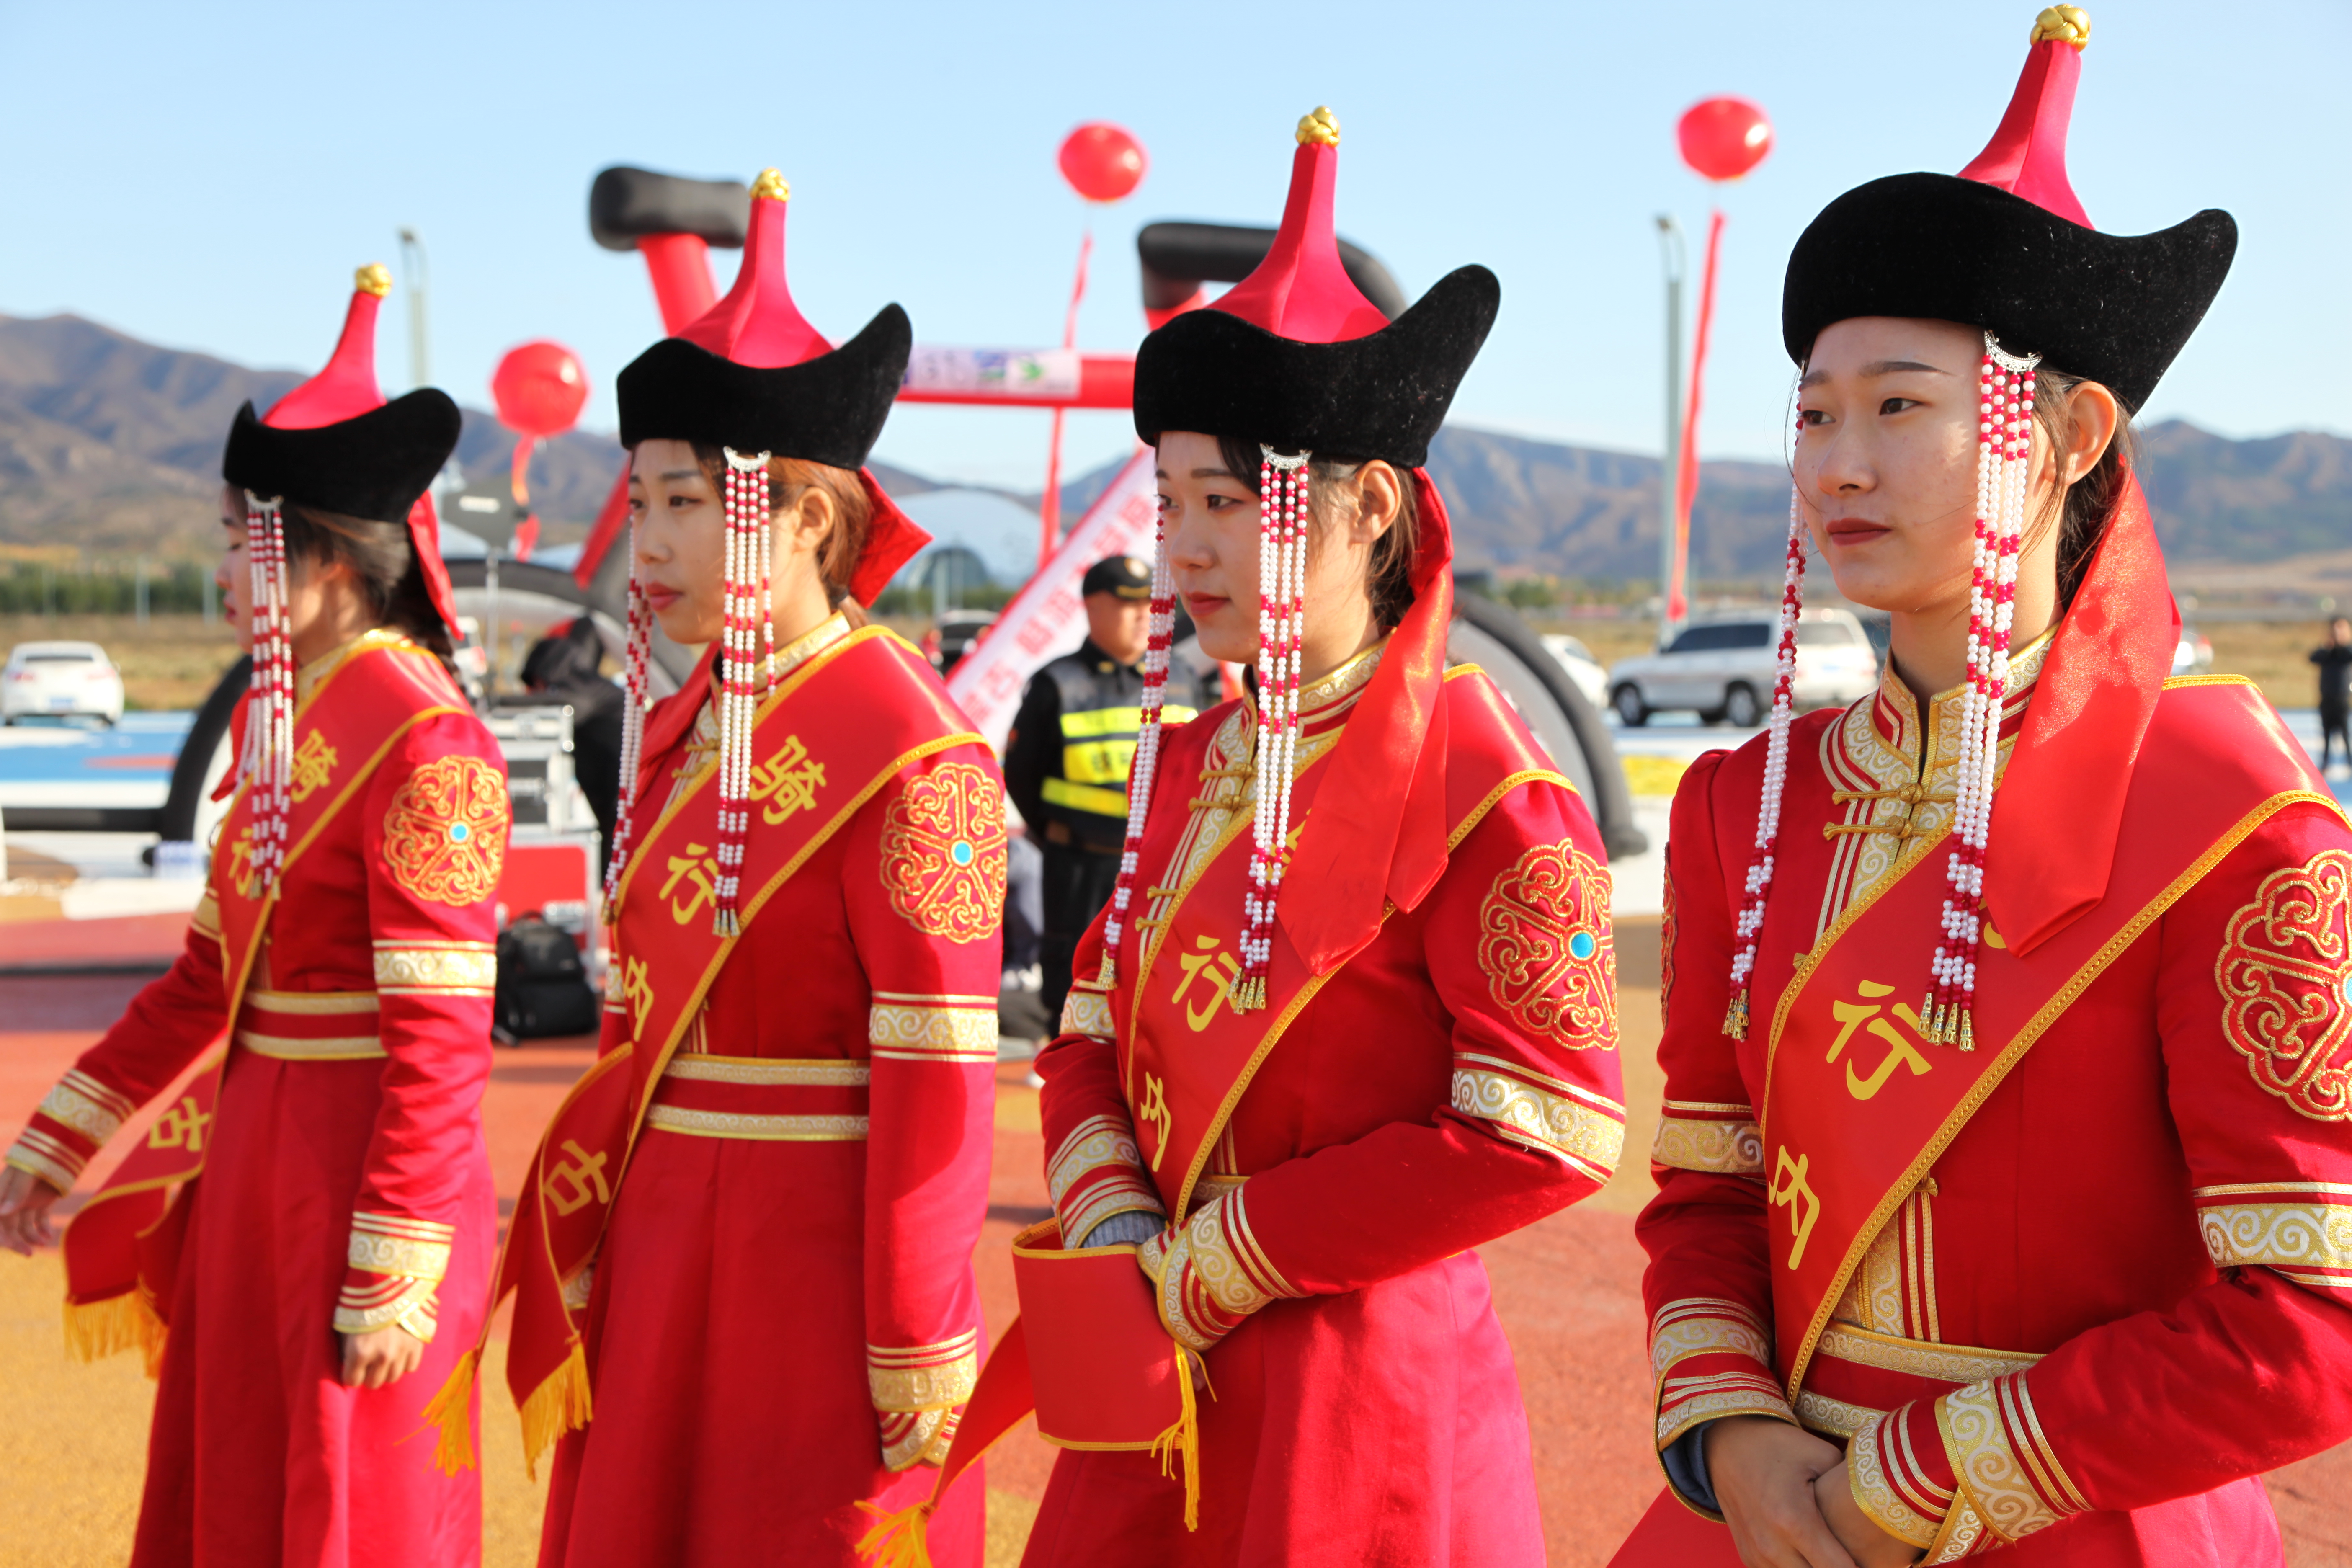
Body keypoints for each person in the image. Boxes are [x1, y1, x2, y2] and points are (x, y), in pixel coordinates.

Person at [1616, 13, 2352, 1566]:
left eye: (1898, 406)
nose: (1836, 465)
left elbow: (2311, 1316)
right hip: (1769, 1517)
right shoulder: (1742, 807)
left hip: (2079, 1516)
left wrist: (1913, 1476)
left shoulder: (2231, 819)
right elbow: (1705, 1191)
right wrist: (1734, 1434)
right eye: (1814, 412)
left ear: (2071, 435)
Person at [1017, 108, 1627, 1565]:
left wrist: (1230, 1254)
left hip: (1358, 1377)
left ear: (1369, 507)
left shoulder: (1484, 781)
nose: (1185, 549)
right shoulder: (1195, 758)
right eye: (1171, 503)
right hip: (1152, 1345)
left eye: (1228, 502)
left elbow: (1546, 1127)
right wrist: (1109, 1206)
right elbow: (1088, 1023)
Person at [429, 170, 1006, 1568]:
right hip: (663, 1232)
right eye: (643, 503)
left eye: (686, 502)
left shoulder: (911, 749)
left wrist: (917, 1332)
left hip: (815, 1263)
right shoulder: (691, 720)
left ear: (806, 519)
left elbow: (937, 1076)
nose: (653, 544)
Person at [0, 265, 504, 1566]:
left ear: (323, 560)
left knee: (352, 1502)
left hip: (359, 1182)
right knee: (238, 1491)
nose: (224, 570)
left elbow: (442, 1037)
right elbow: (203, 984)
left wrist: (398, 1251)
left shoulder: (426, 742)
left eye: (241, 542)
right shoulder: (291, 722)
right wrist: (58, 1142)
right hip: (257, 1167)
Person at [1003, 554, 1199, 1023]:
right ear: (1092, 607)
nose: (1145, 615)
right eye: (1129, 604)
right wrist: (1062, 833)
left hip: (1164, 869)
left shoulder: (1182, 679)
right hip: (1081, 867)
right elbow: (1022, 776)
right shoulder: (1057, 683)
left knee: (1158, 989)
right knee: (1075, 988)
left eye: (1151, 604)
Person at [521, 616, 624, 873]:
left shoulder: (582, 686)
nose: (536, 691)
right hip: (610, 784)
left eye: (538, 683)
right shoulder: (592, 685)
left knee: (617, 846)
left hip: (620, 784)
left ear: (548, 669)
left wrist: (501, 704)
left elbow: (563, 709)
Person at [2310, 617, 2352, 771]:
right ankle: (2326, 763)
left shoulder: (2346, 652)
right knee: (2326, 734)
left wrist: (2342, 643)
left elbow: (2349, 655)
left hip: (2342, 699)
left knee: (2345, 733)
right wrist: (2328, 646)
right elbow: (2313, 658)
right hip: (2326, 698)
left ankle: (2349, 762)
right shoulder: (2326, 653)